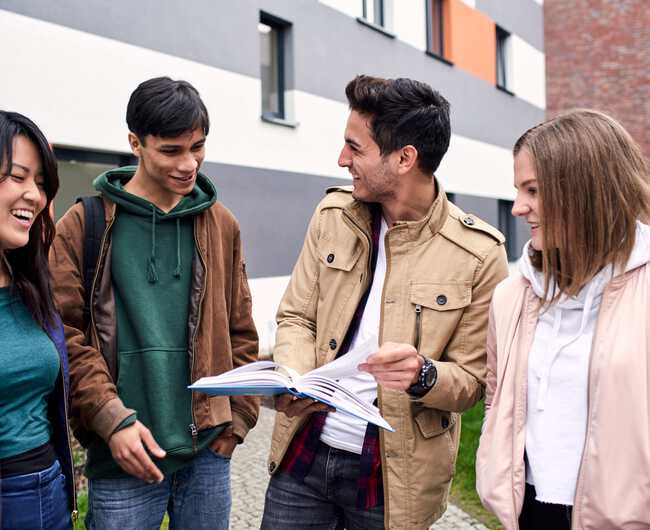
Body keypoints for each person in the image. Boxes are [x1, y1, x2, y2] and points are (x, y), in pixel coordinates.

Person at [260, 75, 509, 530]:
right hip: (305, 451)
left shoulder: (480, 254)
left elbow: (472, 381)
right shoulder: (332, 215)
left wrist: (423, 374)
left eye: (355, 148)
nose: (342, 160)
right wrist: (294, 377)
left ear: (404, 158)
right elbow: (296, 316)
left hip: (393, 477)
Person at [49, 77, 259, 530]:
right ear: (135, 143)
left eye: (198, 147)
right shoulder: (83, 223)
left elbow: (241, 330)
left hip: (207, 453)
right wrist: (111, 420)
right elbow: (64, 335)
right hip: (123, 454)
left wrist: (239, 419)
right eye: (171, 150)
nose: (189, 164)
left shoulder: (221, 224)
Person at [476, 109, 650, 529]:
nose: (518, 208)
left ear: (585, 189)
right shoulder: (511, 295)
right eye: (518, 190)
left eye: (533, 190)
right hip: (530, 510)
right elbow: (496, 394)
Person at [0, 111, 76, 529]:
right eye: (17, 176)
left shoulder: (30, 283)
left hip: (50, 489)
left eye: (41, 183)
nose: (35, 195)